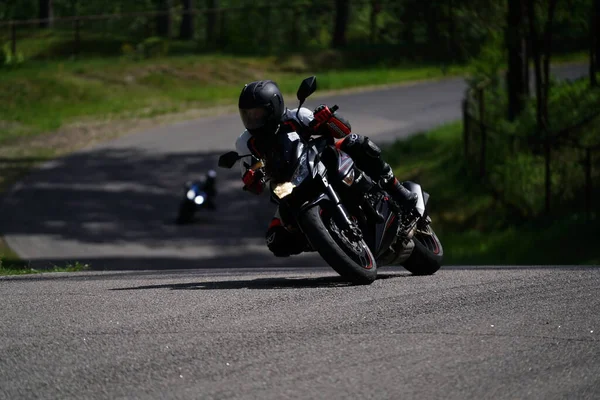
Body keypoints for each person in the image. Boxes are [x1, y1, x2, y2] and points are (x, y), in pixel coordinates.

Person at [234, 80, 418, 257]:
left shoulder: (297, 116)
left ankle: (397, 189)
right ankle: (325, 239)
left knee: (356, 143)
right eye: (247, 115)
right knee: (276, 240)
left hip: (318, 162)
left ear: (274, 107)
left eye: (257, 113)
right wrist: (251, 179)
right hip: (286, 185)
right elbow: (253, 184)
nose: (252, 119)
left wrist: (328, 119)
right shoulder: (245, 142)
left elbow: (343, 131)